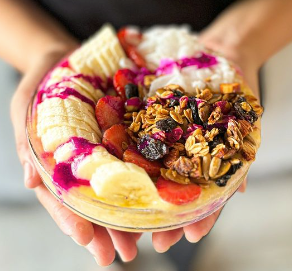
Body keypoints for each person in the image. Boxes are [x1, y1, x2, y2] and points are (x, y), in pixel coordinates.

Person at [1, 0, 292, 267]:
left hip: (221, 60)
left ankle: (186, 260)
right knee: (104, 233)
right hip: (49, 35)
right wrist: (40, 50)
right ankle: (123, 262)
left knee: (197, 208)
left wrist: (242, 41)